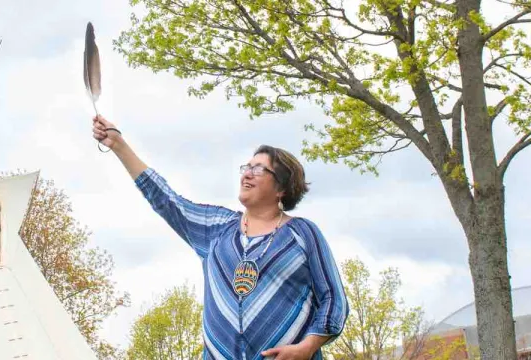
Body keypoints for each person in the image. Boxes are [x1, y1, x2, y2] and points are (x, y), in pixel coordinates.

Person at [91, 115, 349, 360]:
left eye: (259, 169)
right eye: (246, 167)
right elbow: (167, 200)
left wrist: (307, 347)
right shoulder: (217, 229)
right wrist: (118, 145)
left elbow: (333, 299)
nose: (247, 174)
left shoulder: (303, 234)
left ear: (282, 187)